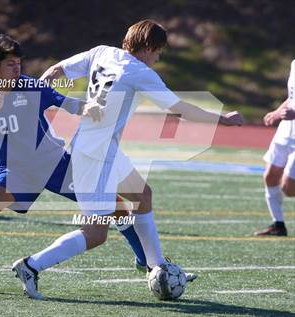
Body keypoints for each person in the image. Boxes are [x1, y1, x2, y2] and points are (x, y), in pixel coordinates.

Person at [13, 19, 243, 300]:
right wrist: (223, 120)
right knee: (95, 234)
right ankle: (31, 265)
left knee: (142, 195)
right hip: (93, 156)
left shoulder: (102, 52)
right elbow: (180, 109)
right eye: (158, 51)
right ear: (147, 47)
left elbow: (58, 69)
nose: (158, 58)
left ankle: (156, 266)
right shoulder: (139, 72)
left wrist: (36, 90)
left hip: (100, 149)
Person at [0, 34, 149, 292]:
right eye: (10, 64)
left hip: (54, 164)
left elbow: (64, 102)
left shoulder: (30, 86)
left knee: (114, 203)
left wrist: (89, 108)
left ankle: (147, 261)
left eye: (19, 63)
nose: (17, 69)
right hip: (15, 170)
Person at [255, 60, 295, 236]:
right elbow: (292, 98)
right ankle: (278, 224)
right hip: (285, 131)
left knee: (289, 188)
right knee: (270, 176)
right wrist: (277, 112)